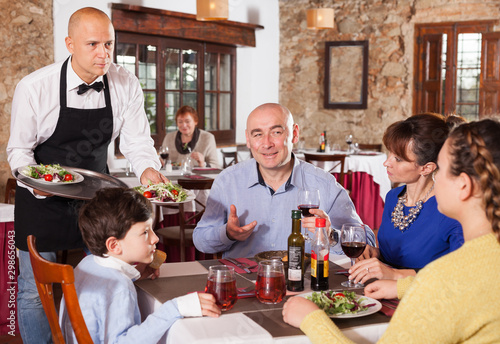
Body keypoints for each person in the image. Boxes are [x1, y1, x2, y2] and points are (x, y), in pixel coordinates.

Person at [6, 7, 167, 344]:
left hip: (97, 201)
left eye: (109, 44)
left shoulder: (125, 82)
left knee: (103, 280)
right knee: (35, 290)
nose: (103, 53)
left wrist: (148, 167)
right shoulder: (35, 87)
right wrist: (39, 184)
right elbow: (19, 151)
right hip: (42, 201)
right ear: (69, 44)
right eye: (92, 44)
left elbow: (137, 141)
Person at [282, 119, 500, 343]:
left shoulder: (447, 275)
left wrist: (311, 319)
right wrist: (399, 284)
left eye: (442, 169)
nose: (437, 179)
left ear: (463, 185)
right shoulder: (478, 262)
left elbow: (448, 285)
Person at [192, 103, 376, 258]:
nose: (266, 143)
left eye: (276, 132)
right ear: (248, 140)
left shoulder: (324, 184)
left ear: (294, 134)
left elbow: (367, 243)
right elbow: (200, 240)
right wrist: (227, 233)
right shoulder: (227, 181)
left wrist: (331, 235)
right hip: (243, 287)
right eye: (257, 134)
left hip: (305, 289)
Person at [59, 187, 220, 343]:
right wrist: (176, 307)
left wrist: (137, 273)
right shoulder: (120, 288)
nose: (155, 238)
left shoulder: (87, 263)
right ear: (114, 245)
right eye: (145, 232)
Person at [347, 113, 463, 284]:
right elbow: (396, 258)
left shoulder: (450, 210)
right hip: (379, 291)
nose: (386, 163)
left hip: (426, 300)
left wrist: (395, 276)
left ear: (426, 168)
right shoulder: (393, 197)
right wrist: (376, 255)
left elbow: (459, 274)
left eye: (398, 159)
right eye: (389, 154)